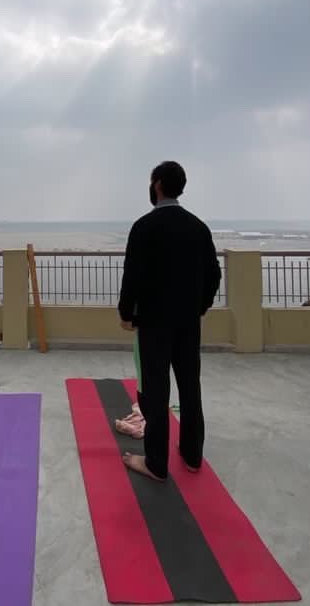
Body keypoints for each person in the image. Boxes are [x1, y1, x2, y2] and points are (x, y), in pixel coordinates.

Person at [117, 161, 221, 481]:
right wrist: (201, 306)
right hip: (188, 322)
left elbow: (132, 276)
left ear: (158, 184)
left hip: (153, 322)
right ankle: (192, 456)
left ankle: (156, 463)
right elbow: (213, 274)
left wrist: (126, 313)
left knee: (156, 392)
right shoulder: (197, 227)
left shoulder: (144, 227)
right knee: (190, 386)